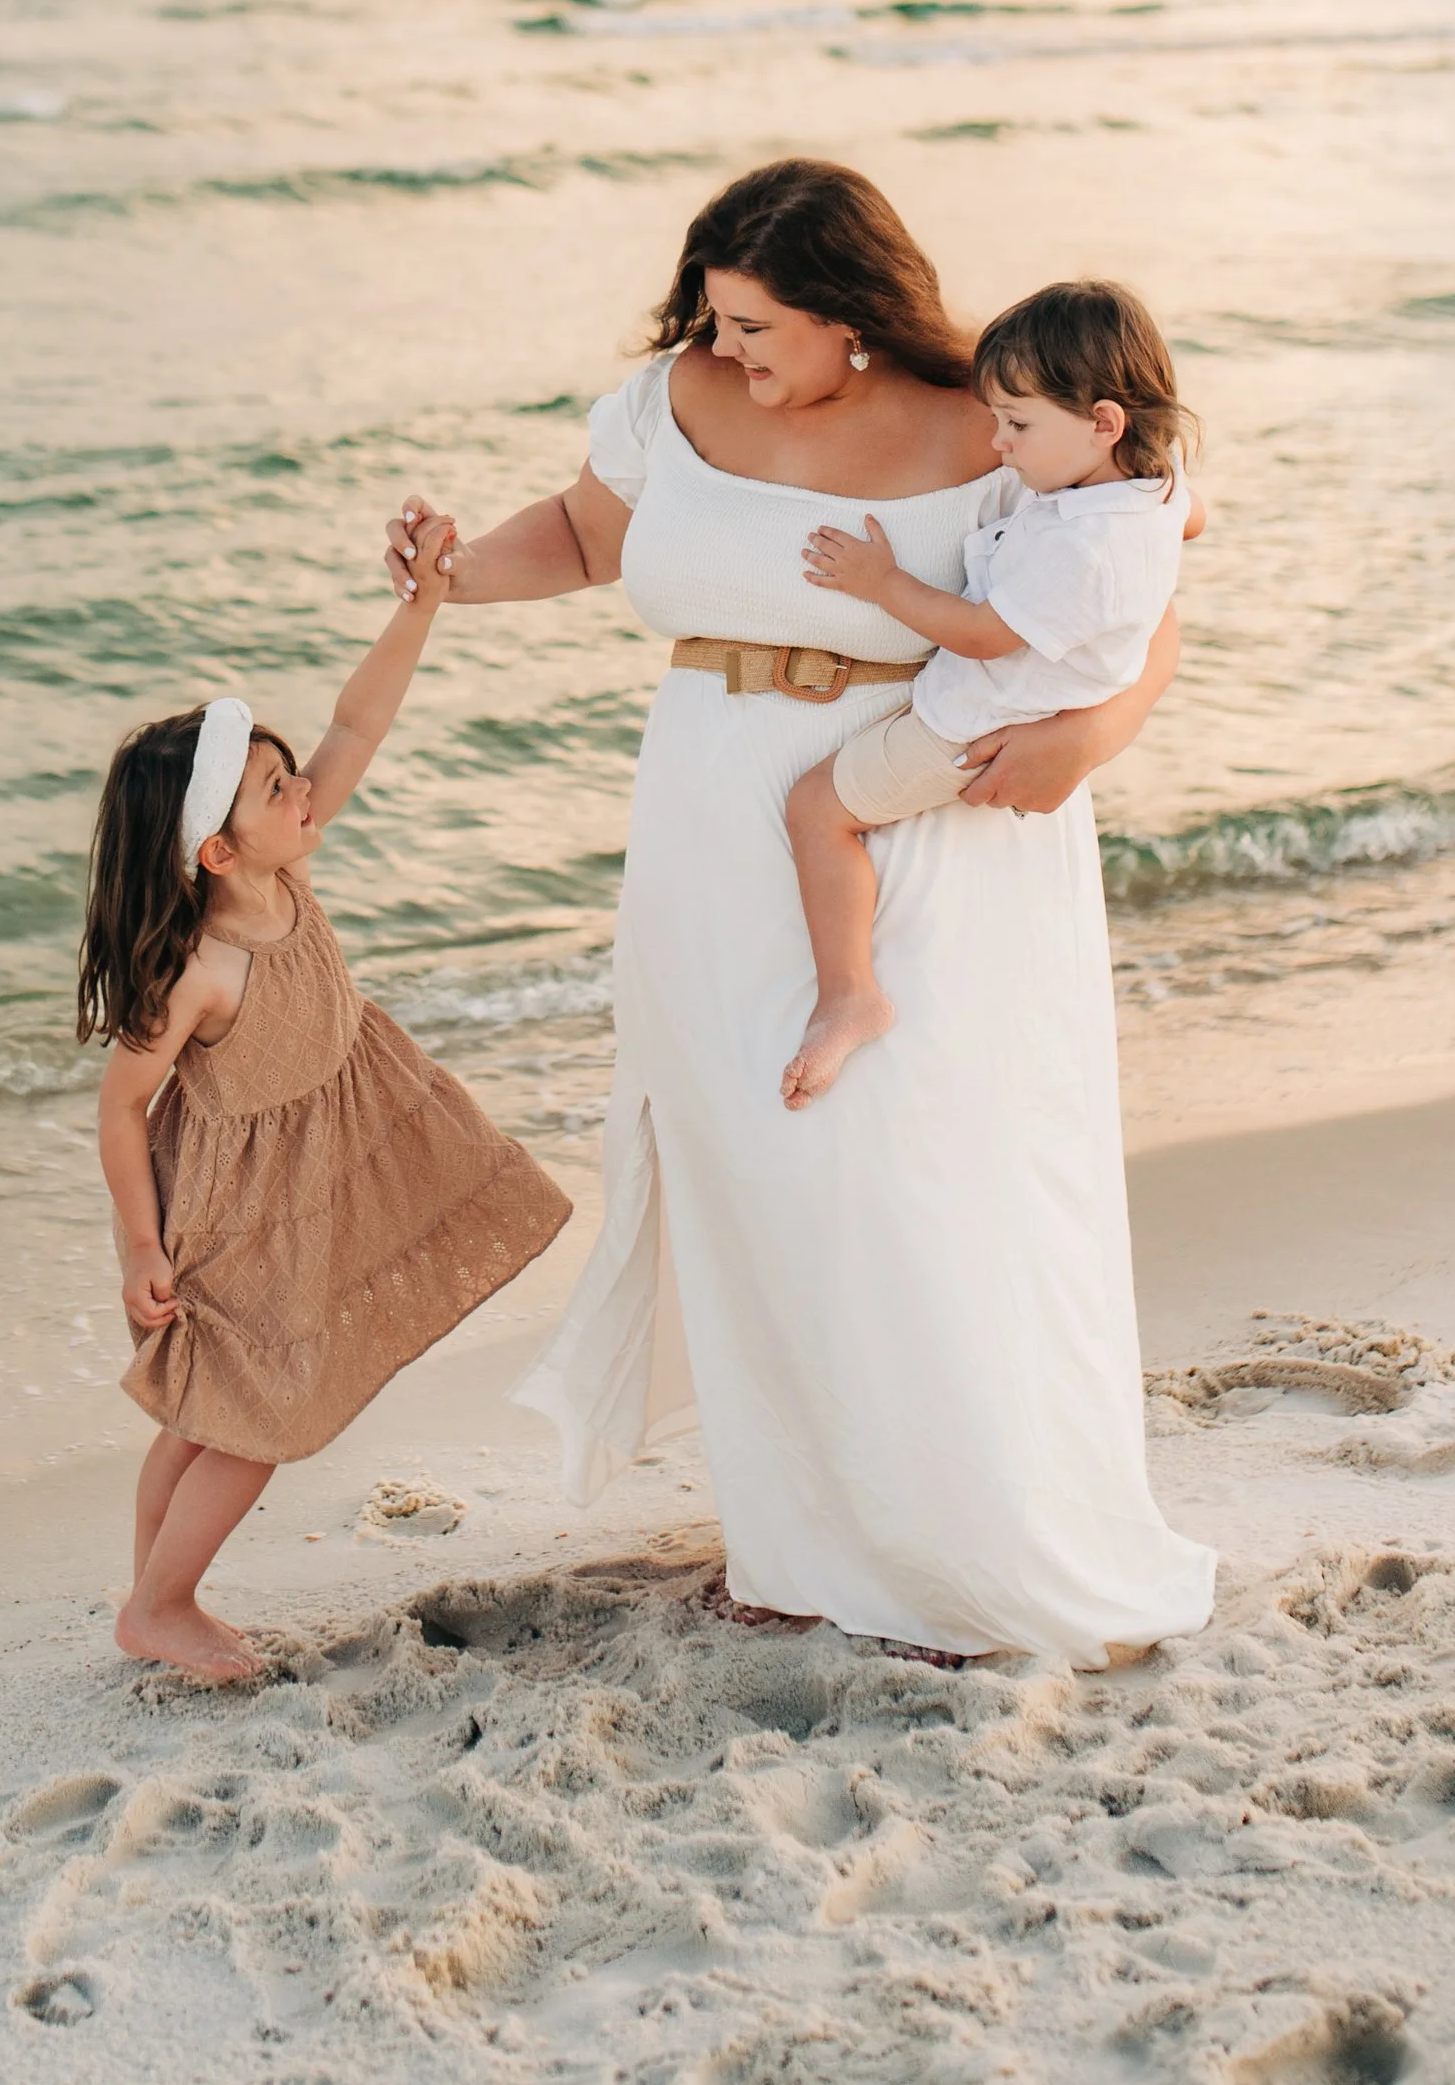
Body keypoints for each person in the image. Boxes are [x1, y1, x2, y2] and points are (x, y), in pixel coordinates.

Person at [386, 157, 1214, 1670]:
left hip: (942, 829)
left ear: (851, 319)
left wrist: (1095, 733)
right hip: (714, 823)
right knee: (760, 1178)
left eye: (755, 324)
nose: (726, 352)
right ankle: (800, 1546)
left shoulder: (998, 410)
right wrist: (448, 574)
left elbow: (1146, 585)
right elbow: (582, 538)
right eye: (712, 318)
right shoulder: (679, 399)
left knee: (916, 1185)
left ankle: (965, 1541)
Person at [79, 526, 571, 1683]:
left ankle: (154, 1601)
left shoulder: (286, 861)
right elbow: (119, 1110)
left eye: (288, 770)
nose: (304, 786)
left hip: (330, 1152)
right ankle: (163, 1603)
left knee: (207, 1417)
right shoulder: (200, 968)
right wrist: (139, 1246)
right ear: (214, 847)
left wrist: (423, 606)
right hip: (243, 1209)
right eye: (273, 785)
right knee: (259, 1416)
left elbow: (357, 723)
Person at [779, 278, 1198, 1109]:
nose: (999, 445)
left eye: (1018, 425)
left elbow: (978, 634)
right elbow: (1193, 518)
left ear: (1105, 424)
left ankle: (849, 995)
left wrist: (880, 580)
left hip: (966, 727)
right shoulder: (1150, 488)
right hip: (1004, 702)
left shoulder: (1086, 549)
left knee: (816, 811)